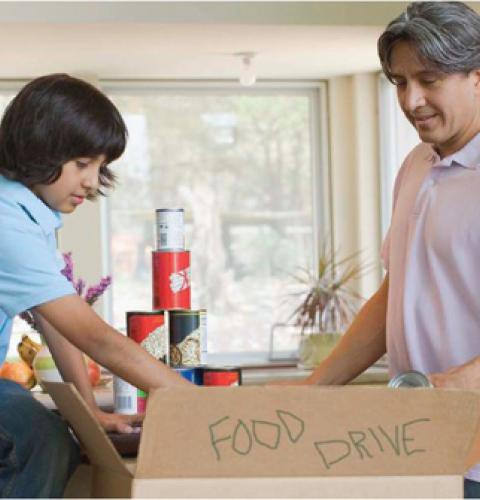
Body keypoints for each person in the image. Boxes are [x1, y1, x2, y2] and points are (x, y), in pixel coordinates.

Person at [282, 2, 480, 497]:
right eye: (399, 82)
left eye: (430, 80)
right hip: (420, 449)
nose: (412, 100)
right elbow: (399, 291)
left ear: (477, 77)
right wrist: (315, 390)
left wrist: (453, 386)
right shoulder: (416, 164)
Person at [0, 74, 192, 497]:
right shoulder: (7, 222)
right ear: (39, 149)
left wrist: (87, 410)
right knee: (43, 441)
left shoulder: (27, 215)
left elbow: (57, 324)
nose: (91, 180)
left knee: (51, 436)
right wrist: (197, 403)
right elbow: (95, 337)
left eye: (100, 166)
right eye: (82, 163)